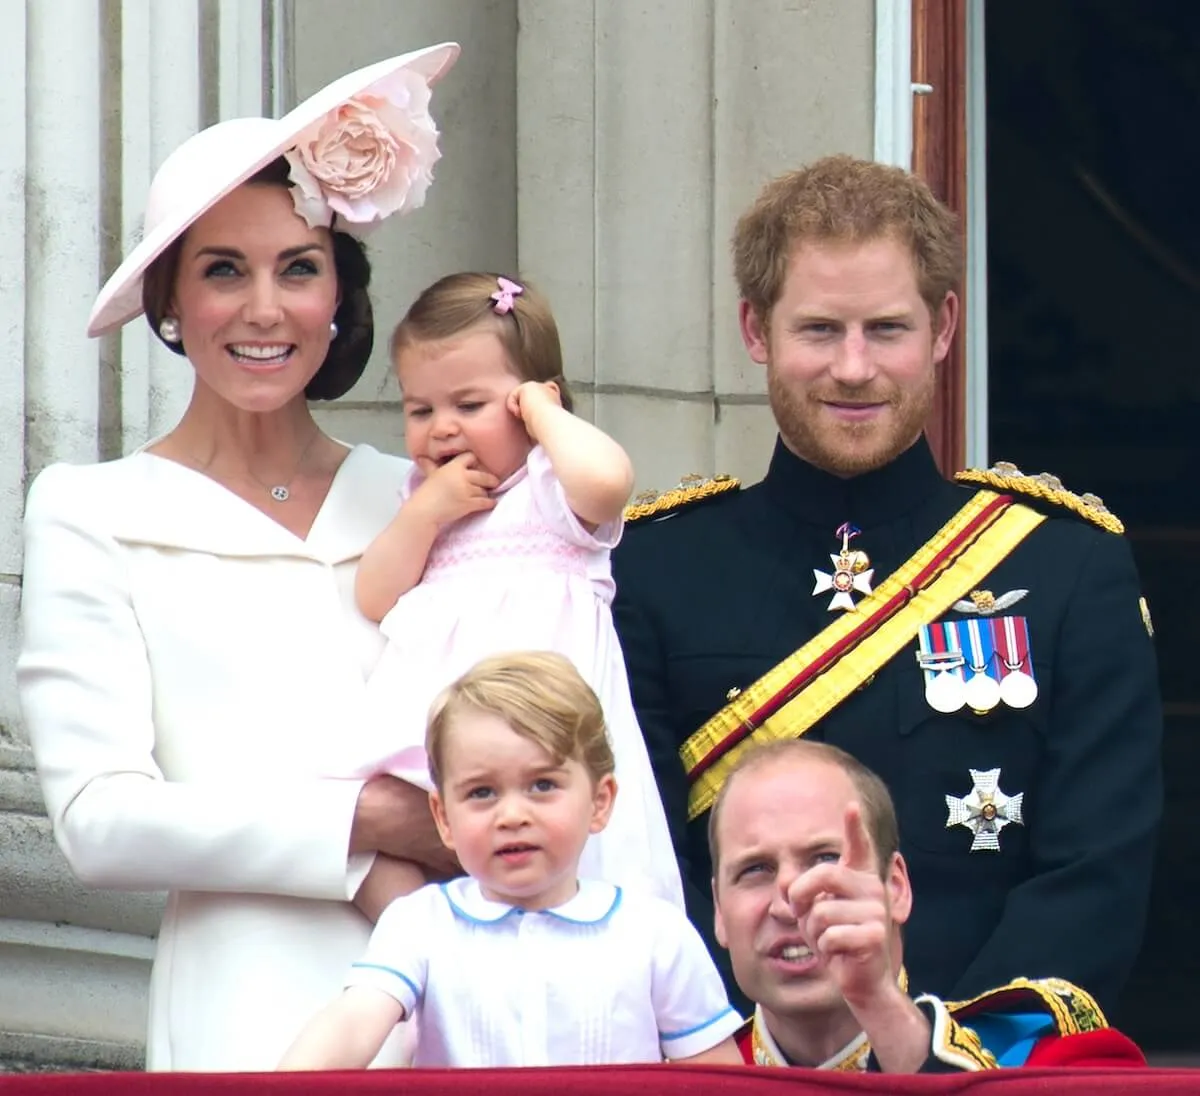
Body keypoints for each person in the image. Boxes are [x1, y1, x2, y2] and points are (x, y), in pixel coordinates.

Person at [611, 154, 1162, 1016]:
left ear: (943, 328)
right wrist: (759, 1049)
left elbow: (1095, 876)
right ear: (756, 331)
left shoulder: (1065, 568)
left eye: (887, 330)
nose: (856, 368)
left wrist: (942, 1054)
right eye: (821, 330)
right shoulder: (649, 569)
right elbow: (639, 868)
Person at [17, 44, 467, 1071]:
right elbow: (101, 821)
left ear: (337, 296)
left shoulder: (424, 496)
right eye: (224, 270)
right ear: (171, 304)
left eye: (297, 269)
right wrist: (360, 832)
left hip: (463, 991)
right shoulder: (91, 511)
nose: (265, 309)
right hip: (246, 1001)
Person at [350, 271, 683, 908]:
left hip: (540, 741)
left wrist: (542, 415)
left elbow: (610, 482)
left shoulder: (551, 489)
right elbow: (375, 596)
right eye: (420, 410)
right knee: (379, 857)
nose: (441, 429)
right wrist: (424, 516)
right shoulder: (427, 504)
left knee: (570, 886)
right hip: (441, 749)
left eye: (469, 406)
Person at [280, 651, 742, 1070]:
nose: (513, 815)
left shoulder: (655, 933)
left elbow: (716, 1076)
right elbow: (354, 1024)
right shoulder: (420, 924)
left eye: (542, 785)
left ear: (600, 802)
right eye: (482, 792)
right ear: (443, 817)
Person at [709, 739, 1146, 1071]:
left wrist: (875, 1000)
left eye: (825, 860)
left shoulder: (1043, 1055)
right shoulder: (670, 1077)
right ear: (718, 911)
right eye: (755, 870)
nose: (790, 904)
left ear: (895, 887)